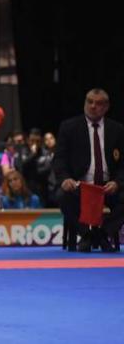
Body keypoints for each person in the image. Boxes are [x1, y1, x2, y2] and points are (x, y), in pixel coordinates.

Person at [53, 88, 123, 252]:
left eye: (98, 103)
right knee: (63, 196)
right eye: (89, 102)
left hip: (107, 186)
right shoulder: (69, 127)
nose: (92, 106)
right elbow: (59, 159)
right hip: (80, 185)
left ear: (106, 107)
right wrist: (65, 179)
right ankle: (86, 234)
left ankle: (103, 233)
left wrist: (117, 182)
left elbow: (122, 165)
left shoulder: (118, 130)